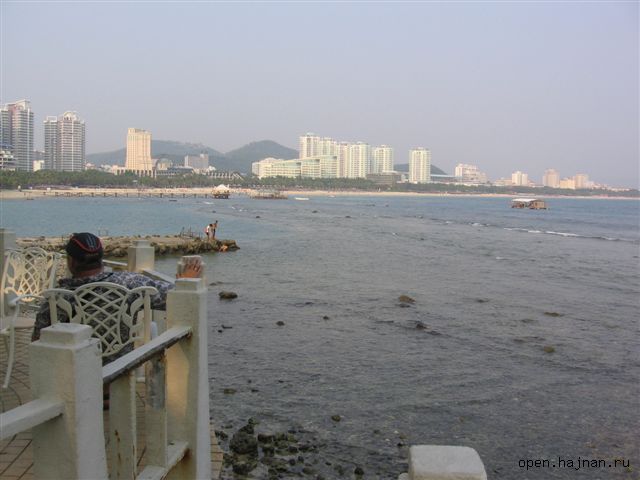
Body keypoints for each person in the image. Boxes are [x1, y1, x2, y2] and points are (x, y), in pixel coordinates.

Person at [32, 232, 202, 364]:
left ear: (71, 261)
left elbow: (38, 340)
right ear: (101, 257)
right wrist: (186, 282)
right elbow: (174, 298)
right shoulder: (130, 282)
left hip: (75, 372)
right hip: (120, 367)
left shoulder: (57, 297)